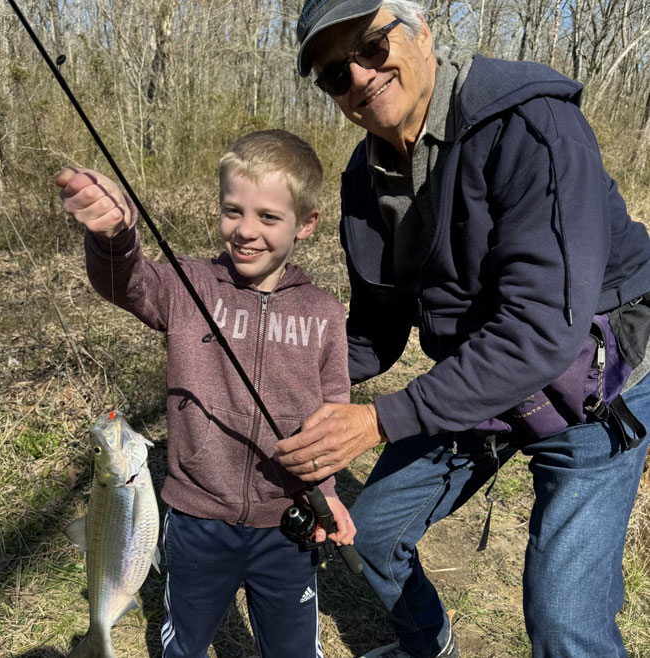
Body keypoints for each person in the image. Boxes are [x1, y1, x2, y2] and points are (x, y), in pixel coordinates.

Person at [273, 2, 650, 657]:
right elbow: (375, 332)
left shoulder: (530, 125)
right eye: (336, 74)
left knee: (564, 621)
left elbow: (540, 331)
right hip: (478, 382)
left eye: (369, 47)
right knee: (374, 533)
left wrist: (376, 421)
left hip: (595, 384)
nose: (359, 77)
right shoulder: (365, 184)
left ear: (420, 32)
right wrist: (288, 364)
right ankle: (429, 646)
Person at [56, 129, 357, 658]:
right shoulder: (186, 285)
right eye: (232, 210)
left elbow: (334, 418)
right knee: (184, 645)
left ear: (306, 224)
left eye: (268, 217)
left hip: (286, 523)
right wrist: (115, 237)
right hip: (196, 520)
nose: (244, 231)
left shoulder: (325, 314)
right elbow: (126, 283)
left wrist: (327, 491)